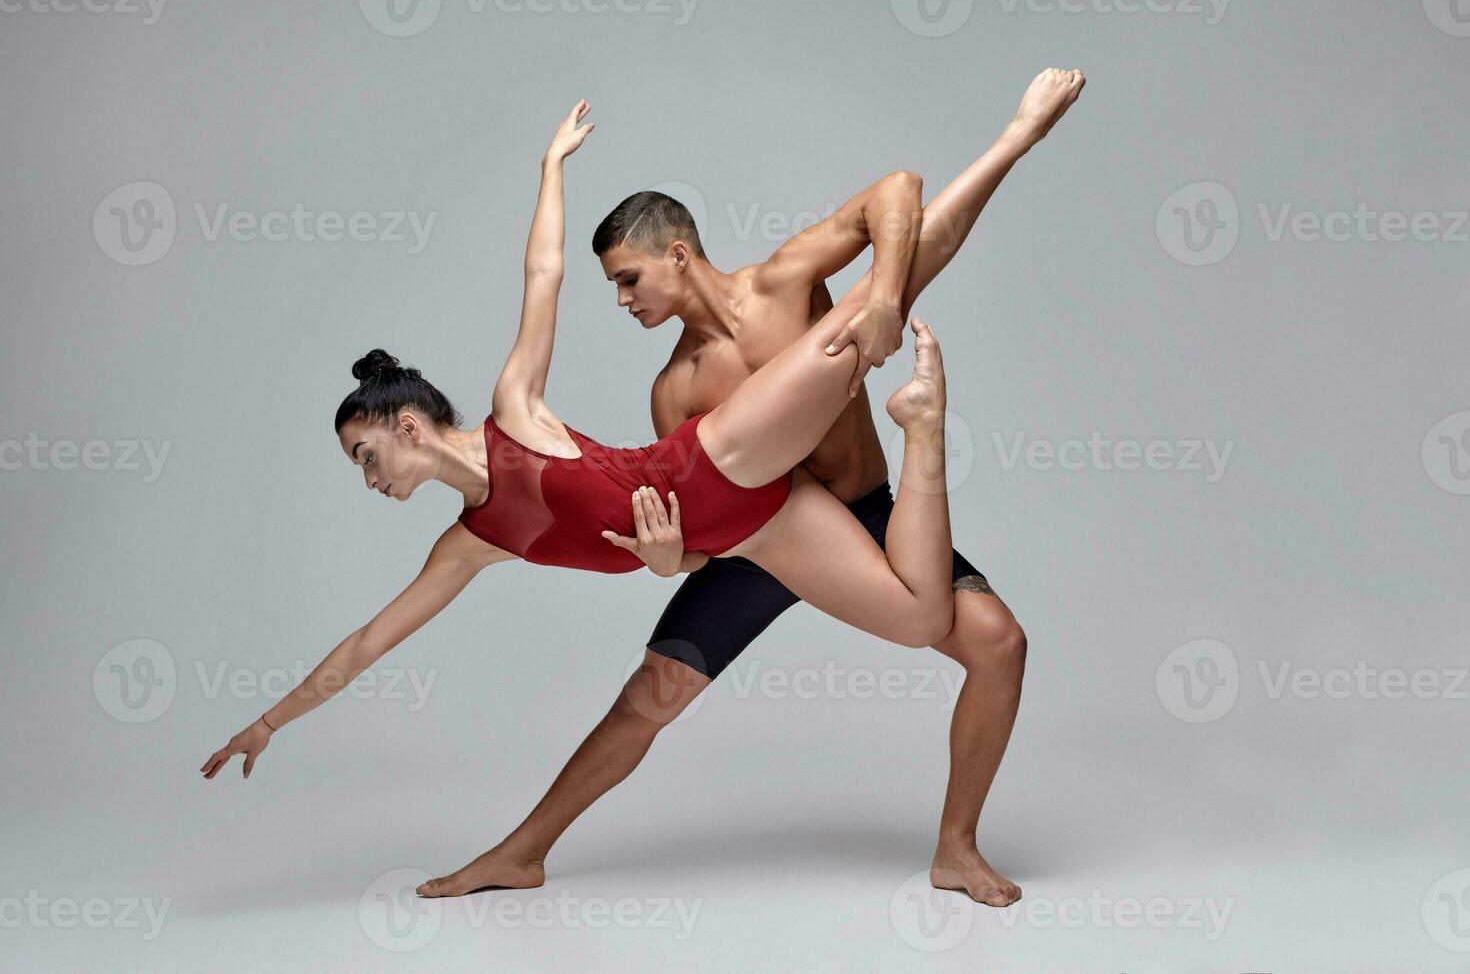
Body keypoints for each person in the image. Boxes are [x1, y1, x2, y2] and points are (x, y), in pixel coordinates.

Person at [199, 98, 962, 853]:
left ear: (408, 427)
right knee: (921, 619)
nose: (370, 480)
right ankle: (924, 422)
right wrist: (270, 722)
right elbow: (369, 642)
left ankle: (1009, 143)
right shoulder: (471, 541)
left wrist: (550, 168)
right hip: (731, 531)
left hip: (713, 461)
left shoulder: (515, 414)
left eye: (367, 458)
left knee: (862, 314)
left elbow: (543, 272)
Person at [407, 68, 1085, 908]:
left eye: (629, 279)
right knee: (647, 702)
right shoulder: (676, 390)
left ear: (678, 255)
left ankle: (956, 848)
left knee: (998, 645)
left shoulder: (785, 284)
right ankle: (519, 852)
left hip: (866, 516)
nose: (621, 301)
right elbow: (695, 526)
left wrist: (1012, 143)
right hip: (760, 547)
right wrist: (669, 559)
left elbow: (906, 216)